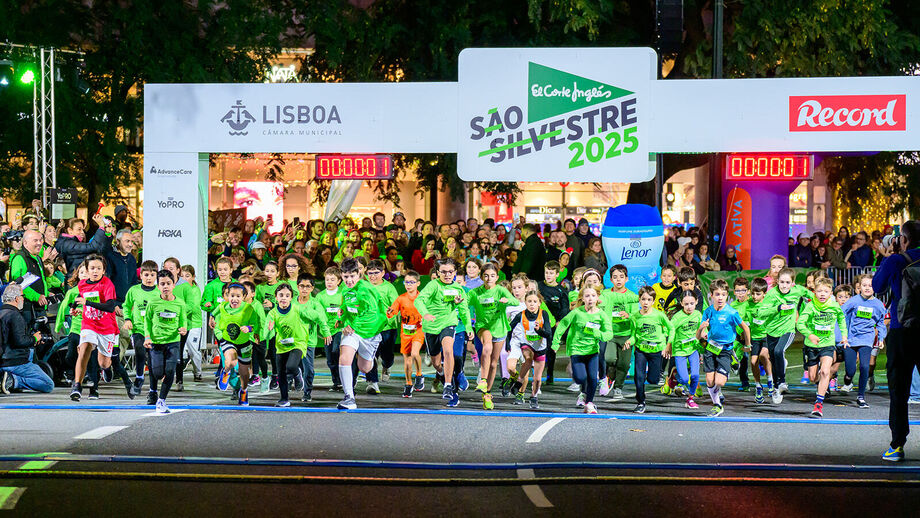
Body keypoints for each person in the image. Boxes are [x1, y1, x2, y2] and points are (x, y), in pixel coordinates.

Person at [872, 220, 920, 462]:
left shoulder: (897, 260)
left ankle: (897, 445)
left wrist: (889, 255)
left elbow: (877, 286)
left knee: (899, 390)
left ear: (904, 239)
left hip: (902, 331)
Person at [415, 258, 471, 408]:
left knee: (448, 351)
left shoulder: (458, 289)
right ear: (438, 272)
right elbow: (419, 301)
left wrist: (468, 327)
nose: (447, 275)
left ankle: (448, 385)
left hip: (448, 323)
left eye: (450, 272)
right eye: (444, 272)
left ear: (455, 272)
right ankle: (442, 374)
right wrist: (425, 313)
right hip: (431, 327)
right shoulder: (433, 285)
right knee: (436, 363)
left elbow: (464, 310)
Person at [71, 254, 124, 401]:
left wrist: (87, 303)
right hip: (89, 323)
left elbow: (110, 306)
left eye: (99, 268)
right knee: (85, 347)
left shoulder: (107, 284)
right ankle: (77, 386)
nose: (95, 271)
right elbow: (79, 299)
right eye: (92, 268)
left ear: (103, 270)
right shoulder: (82, 284)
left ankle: (106, 368)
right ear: (87, 270)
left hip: (106, 326)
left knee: (103, 362)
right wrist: (74, 308)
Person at [552, 285, 612, 414]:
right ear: (582, 299)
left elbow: (609, 334)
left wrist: (598, 334)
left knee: (593, 378)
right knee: (580, 378)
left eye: (593, 296)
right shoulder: (577, 313)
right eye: (587, 296)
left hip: (592, 351)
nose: (590, 298)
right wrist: (555, 343)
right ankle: (583, 392)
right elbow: (562, 325)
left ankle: (589, 403)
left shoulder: (601, 315)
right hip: (576, 350)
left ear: (597, 298)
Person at [336, 258, 387, 410]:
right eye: (346, 276)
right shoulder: (345, 289)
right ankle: (349, 397)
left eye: (352, 276)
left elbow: (370, 314)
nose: (349, 280)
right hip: (354, 331)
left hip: (370, 331)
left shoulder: (366, 290)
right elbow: (347, 306)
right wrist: (342, 317)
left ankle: (369, 357)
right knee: (344, 358)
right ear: (341, 275)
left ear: (359, 274)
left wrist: (351, 325)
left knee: (365, 368)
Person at [698, 278, 750, 417]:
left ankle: (732, 359)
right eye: (717, 294)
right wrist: (703, 331)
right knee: (710, 381)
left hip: (725, 350)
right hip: (710, 348)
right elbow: (703, 329)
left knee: (719, 382)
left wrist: (748, 345)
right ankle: (717, 405)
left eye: (723, 294)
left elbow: (745, 328)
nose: (720, 298)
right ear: (711, 295)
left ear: (727, 295)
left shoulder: (732, 313)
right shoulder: (708, 311)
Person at [468, 263, 518, 409]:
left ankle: (487, 394)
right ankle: (483, 380)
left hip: (500, 328)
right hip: (483, 327)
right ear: (481, 277)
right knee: (487, 347)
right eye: (486, 275)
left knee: (493, 363)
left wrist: (507, 300)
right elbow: (464, 302)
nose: (489, 278)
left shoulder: (501, 290)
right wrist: (458, 301)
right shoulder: (475, 292)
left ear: (497, 277)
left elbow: (515, 301)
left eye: (492, 275)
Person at [796, 277, 847, 418]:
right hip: (812, 345)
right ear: (815, 292)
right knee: (813, 378)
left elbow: (841, 319)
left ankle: (818, 404)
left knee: (825, 371)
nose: (822, 294)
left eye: (825, 291)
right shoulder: (810, 306)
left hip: (828, 344)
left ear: (831, 293)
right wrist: (810, 335)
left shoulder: (834, 306)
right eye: (819, 291)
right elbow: (800, 324)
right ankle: (820, 382)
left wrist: (844, 336)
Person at [142, 270, 188, 414]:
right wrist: (147, 337)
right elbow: (147, 321)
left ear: (174, 285)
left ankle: (161, 401)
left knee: (170, 372)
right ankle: (155, 390)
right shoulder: (153, 302)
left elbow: (183, 320)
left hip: (173, 342)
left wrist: (184, 329)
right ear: (158, 286)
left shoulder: (180, 303)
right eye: (162, 284)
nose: (165, 286)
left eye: (168, 283)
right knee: (157, 373)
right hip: (156, 342)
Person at [624, 285, 673, 414]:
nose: (646, 302)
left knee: (653, 379)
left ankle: (660, 377)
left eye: (649, 300)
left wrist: (668, 344)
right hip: (641, 350)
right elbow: (634, 335)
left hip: (656, 351)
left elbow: (671, 329)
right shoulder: (635, 317)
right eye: (643, 299)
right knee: (638, 377)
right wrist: (629, 341)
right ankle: (641, 402)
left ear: (653, 301)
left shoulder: (659, 315)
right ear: (639, 300)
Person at [761, 267, 808, 397]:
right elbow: (761, 312)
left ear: (793, 283)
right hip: (772, 330)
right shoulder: (771, 294)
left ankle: (782, 382)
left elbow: (810, 294)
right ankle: (776, 386)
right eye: (782, 282)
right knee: (773, 358)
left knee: (778, 351)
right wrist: (778, 308)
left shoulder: (797, 290)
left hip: (788, 329)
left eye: (788, 282)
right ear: (777, 281)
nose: (784, 285)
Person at [840, 274, 885, 408]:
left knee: (865, 366)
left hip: (866, 339)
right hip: (850, 339)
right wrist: (842, 335)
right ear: (859, 287)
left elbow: (881, 323)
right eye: (864, 285)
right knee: (850, 370)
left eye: (870, 285)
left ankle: (861, 397)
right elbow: (840, 314)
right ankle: (848, 380)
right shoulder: (853, 301)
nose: (867, 288)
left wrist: (881, 338)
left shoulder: (878, 305)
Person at [0, 283, 53, 394]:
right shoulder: (15, 315)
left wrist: (32, 340)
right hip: (16, 362)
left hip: (3, 361)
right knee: (48, 384)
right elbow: (19, 341)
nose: (23, 299)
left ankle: (5, 379)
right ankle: (12, 380)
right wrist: (34, 338)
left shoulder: (2, 313)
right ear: (16, 298)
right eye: (22, 296)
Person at [213, 283, 260, 406]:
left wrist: (249, 328)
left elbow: (255, 325)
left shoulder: (249, 309)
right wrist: (212, 320)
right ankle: (226, 372)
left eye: (238, 296)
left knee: (244, 372)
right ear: (227, 296)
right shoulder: (222, 306)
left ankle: (243, 391)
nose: (234, 299)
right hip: (227, 340)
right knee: (231, 361)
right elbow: (213, 315)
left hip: (244, 343)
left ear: (243, 297)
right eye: (232, 296)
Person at [507, 290, 553, 409]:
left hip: (540, 347)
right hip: (527, 344)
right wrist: (507, 344)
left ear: (539, 303)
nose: (532, 304)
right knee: (528, 358)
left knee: (537, 379)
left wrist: (539, 331)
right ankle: (519, 381)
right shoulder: (521, 315)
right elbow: (509, 329)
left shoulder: (544, 314)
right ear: (525, 303)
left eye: (534, 301)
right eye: (529, 301)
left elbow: (548, 334)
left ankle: (534, 396)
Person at [122, 260, 161, 399]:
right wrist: (127, 319)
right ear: (141, 275)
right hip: (138, 328)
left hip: (155, 331)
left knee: (152, 360)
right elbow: (126, 306)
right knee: (140, 350)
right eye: (146, 275)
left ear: (156, 276)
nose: (149, 278)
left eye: (152, 275)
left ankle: (153, 390)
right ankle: (139, 378)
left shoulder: (159, 292)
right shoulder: (134, 290)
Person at [600, 264, 638, 401]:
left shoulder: (631, 296)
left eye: (621, 277)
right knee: (609, 358)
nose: (618, 280)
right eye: (615, 277)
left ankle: (618, 388)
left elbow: (636, 316)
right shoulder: (605, 294)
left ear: (626, 279)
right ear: (611, 280)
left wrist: (629, 315)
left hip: (626, 335)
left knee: (624, 364)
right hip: (610, 334)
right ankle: (610, 376)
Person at [387, 271, 425, 398]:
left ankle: (419, 374)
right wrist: (390, 312)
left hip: (418, 330)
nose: (408, 285)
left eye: (411, 282)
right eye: (406, 282)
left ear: (418, 283)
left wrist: (425, 318)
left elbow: (429, 312)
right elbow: (392, 311)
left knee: (415, 353)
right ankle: (408, 384)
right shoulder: (401, 298)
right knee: (407, 360)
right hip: (405, 333)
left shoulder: (422, 298)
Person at [294, 273, 331, 402]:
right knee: (291, 366)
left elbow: (322, 319)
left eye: (307, 286)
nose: (304, 289)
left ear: (312, 288)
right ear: (297, 286)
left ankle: (307, 392)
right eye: (301, 286)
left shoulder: (315, 303)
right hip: (293, 341)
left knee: (309, 369)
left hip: (308, 341)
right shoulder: (292, 302)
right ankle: (296, 378)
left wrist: (326, 333)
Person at [365, 260, 398, 393]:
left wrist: (389, 318)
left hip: (387, 327)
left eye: (376, 273)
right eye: (370, 273)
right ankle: (372, 382)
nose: (373, 276)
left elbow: (396, 307)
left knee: (387, 355)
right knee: (371, 354)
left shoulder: (389, 288)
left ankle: (386, 366)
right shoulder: (364, 287)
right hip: (370, 328)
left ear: (383, 273)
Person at [666, 290, 702, 409]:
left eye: (692, 303)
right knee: (685, 379)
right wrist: (669, 345)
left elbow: (701, 330)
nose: (689, 307)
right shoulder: (677, 317)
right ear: (681, 303)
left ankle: (690, 398)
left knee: (695, 375)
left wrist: (705, 334)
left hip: (693, 349)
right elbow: (671, 331)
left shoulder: (698, 315)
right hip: (679, 351)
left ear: (696, 302)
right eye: (686, 304)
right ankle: (675, 376)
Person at [538, 261, 569, 385]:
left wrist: (560, 321)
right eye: (546, 272)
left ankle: (550, 374)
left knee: (551, 349)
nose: (548, 275)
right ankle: (537, 374)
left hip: (554, 325)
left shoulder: (561, 290)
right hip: (539, 322)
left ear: (557, 274)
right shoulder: (539, 286)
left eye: (551, 273)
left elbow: (565, 308)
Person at [746, 278, 776, 404]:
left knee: (764, 355)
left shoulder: (769, 304)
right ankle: (758, 386)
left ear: (764, 293)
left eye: (758, 294)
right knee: (753, 362)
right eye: (753, 293)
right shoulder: (748, 304)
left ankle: (770, 380)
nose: (754, 296)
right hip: (754, 337)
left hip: (767, 335)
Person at [316, 267, 345, 392]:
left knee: (336, 350)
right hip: (327, 331)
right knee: (330, 360)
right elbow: (319, 314)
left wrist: (341, 319)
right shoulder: (320, 296)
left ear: (339, 281)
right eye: (327, 279)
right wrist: (325, 330)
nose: (329, 282)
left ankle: (345, 378)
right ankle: (336, 382)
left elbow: (346, 309)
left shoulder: (342, 294)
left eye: (332, 279)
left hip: (340, 329)